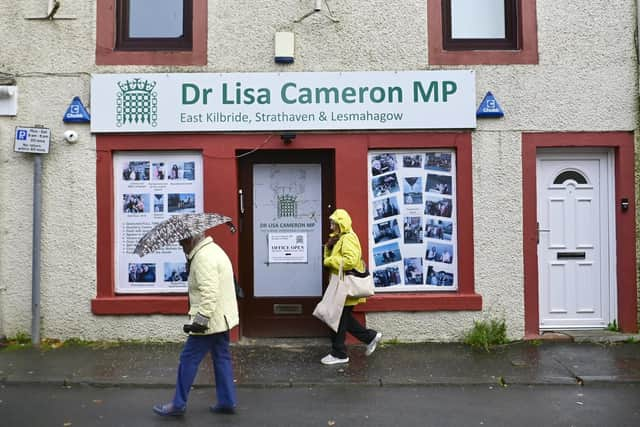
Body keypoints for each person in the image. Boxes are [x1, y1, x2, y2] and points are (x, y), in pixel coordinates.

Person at [153, 232, 239, 417]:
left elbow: (209, 294)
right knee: (221, 357)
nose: (180, 246)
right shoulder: (213, 250)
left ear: (191, 240)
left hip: (209, 321)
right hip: (221, 318)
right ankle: (227, 401)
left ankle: (178, 404)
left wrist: (200, 322)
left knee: (188, 359)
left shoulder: (203, 258)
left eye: (182, 242)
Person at [320, 209, 382, 365]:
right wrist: (329, 249)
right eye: (331, 222)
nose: (331, 225)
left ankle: (339, 353)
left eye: (334, 222)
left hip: (345, 286)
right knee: (341, 318)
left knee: (337, 319)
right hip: (339, 285)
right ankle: (369, 337)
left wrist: (329, 261)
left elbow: (350, 260)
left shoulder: (348, 238)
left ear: (342, 223)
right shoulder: (338, 238)